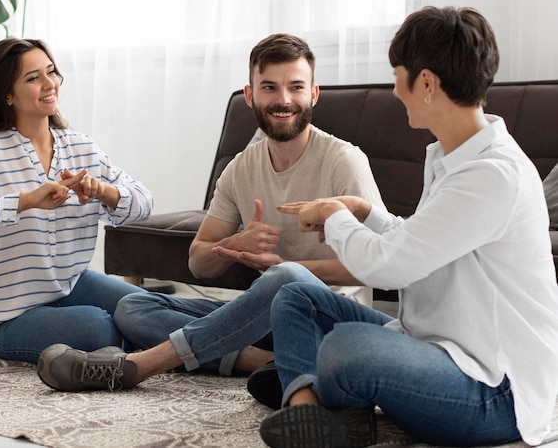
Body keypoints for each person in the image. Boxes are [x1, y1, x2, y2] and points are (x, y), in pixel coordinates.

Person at [255, 7, 558, 448]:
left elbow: (388, 268)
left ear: (428, 83)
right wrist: (365, 212)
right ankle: (309, 407)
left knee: (346, 347)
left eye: (400, 76)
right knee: (296, 296)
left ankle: (307, 382)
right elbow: (423, 243)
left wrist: (334, 216)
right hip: (435, 345)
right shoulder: (453, 158)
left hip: (496, 392)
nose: (396, 89)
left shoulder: (493, 174)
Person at [36, 32, 385, 392]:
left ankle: (138, 367)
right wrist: (235, 243)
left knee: (285, 279)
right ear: (250, 96)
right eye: (269, 88)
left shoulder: (343, 161)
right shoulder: (240, 168)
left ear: (313, 94)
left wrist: (284, 269)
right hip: (262, 325)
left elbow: (380, 263)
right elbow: (198, 263)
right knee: (134, 309)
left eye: (296, 87)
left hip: (328, 322)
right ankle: (260, 362)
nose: (284, 100)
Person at [0, 38, 154, 364]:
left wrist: (102, 191)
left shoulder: (81, 147)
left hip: (73, 284)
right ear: (7, 94)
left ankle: (239, 349)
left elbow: (144, 205)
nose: (50, 83)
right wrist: (23, 201)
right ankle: (169, 347)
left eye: (51, 72)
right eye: (33, 77)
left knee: (146, 308)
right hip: (9, 315)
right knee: (98, 329)